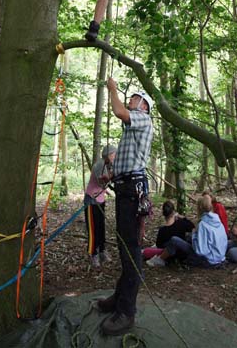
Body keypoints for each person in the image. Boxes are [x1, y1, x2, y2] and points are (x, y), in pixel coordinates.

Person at [97, 78, 153, 336]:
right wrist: (113, 175)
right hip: (126, 189)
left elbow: (119, 110)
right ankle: (120, 299)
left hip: (132, 191)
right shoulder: (131, 128)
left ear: (143, 105)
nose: (129, 100)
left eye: (134, 98)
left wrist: (112, 89)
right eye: (129, 97)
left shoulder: (143, 118)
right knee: (124, 245)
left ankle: (126, 312)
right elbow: (121, 115)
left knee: (130, 249)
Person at [147, 194, 227, 268]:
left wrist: (194, 235)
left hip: (208, 260)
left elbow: (201, 251)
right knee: (187, 238)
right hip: (219, 256)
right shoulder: (215, 219)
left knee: (174, 240)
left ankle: (160, 259)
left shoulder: (203, 224)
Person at [84, 145, 116, 268]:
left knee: (101, 227)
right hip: (91, 200)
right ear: (108, 155)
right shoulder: (99, 165)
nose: (115, 157)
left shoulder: (109, 165)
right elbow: (102, 182)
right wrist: (112, 177)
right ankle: (93, 253)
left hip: (100, 200)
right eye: (113, 154)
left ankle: (102, 251)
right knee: (93, 228)